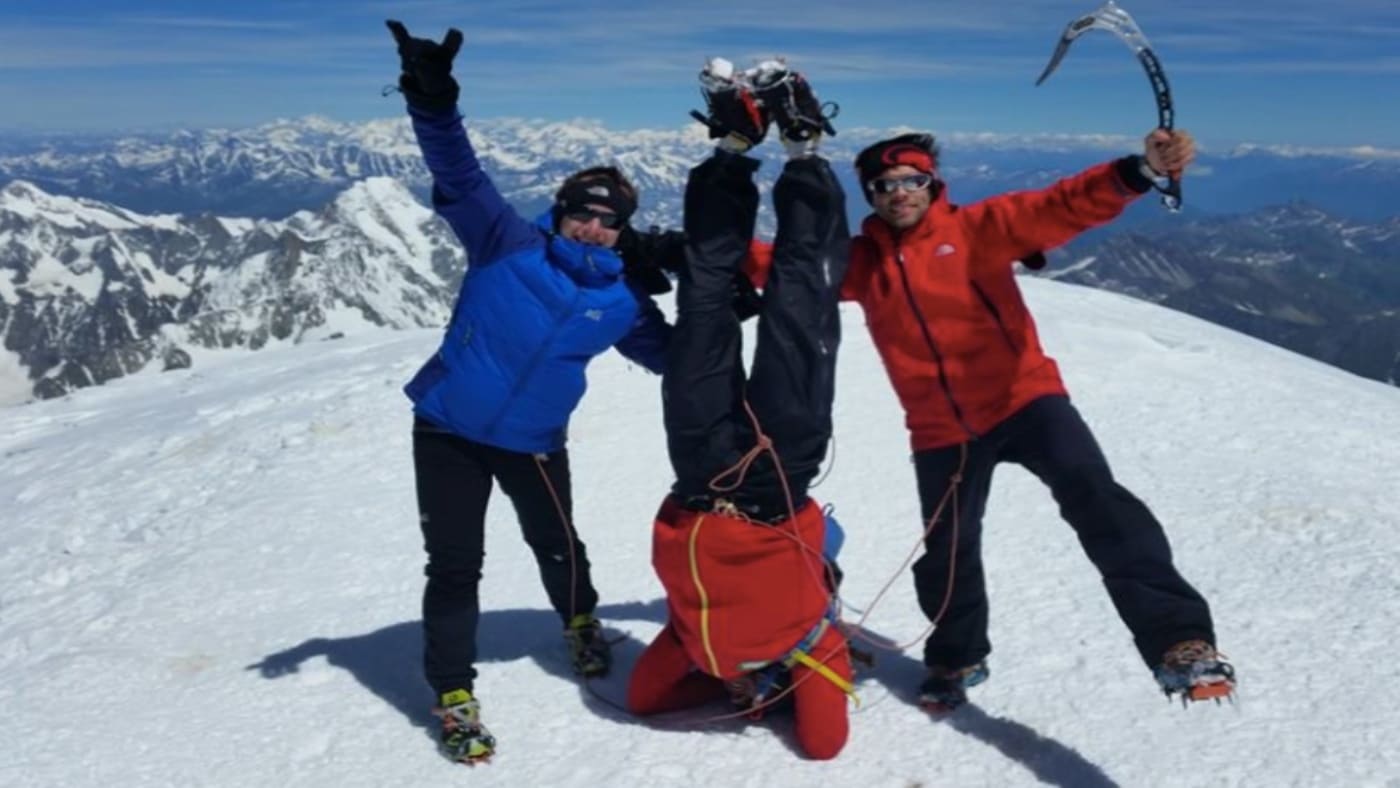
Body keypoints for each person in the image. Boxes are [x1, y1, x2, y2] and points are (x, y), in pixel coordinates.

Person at [840, 129, 1236, 709]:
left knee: (1097, 500)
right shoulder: (861, 265)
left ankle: (1181, 641)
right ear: (871, 195)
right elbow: (785, 268)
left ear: (932, 184)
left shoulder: (977, 230)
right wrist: (693, 255)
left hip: (1025, 401)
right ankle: (956, 659)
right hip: (941, 430)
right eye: (885, 185)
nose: (900, 193)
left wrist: (1137, 172)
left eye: (912, 181)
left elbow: (1058, 207)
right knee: (948, 550)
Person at [385, 21, 673, 763]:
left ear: (623, 231)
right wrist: (433, 101)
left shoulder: (623, 303)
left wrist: (720, 300)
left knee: (557, 543)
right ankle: (453, 694)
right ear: (561, 205)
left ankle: (579, 625)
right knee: (454, 565)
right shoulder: (504, 241)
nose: (594, 226)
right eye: (583, 209)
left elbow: (674, 358)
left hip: (534, 441)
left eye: (610, 220)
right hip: (447, 426)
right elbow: (459, 173)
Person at [625, 58, 855, 760]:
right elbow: (823, 744)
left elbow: (646, 699)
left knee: (703, 298)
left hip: (696, 474)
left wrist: (732, 684)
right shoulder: (812, 642)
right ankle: (804, 146)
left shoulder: (699, 651)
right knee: (798, 305)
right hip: (775, 483)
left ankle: (731, 149)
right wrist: (784, 684)